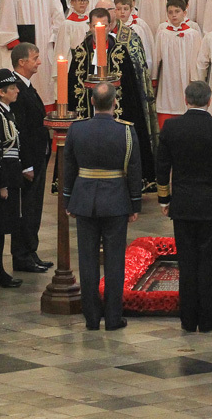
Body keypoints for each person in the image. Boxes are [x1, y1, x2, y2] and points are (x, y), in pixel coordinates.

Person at [156, 80, 212, 332]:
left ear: (185, 99)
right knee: (209, 264)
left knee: (187, 263)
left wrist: (164, 199)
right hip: (211, 205)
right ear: (209, 100)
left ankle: (187, 319)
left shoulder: (171, 127)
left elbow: (162, 167)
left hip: (182, 204)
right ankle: (206, 318)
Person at [63, 82, 143, 331]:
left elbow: (68, 168)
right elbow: (134, 169)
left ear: (93, 103)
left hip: (85, 199)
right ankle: (112, 317)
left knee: (87, 261)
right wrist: (135, 203)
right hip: (116, 200)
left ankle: (91, 318)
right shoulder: (126, 131)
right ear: (115, 103)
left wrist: (68, 199)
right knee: (115, 261)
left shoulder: (77, 129)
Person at [8, 43, 54, 275]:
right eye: (35, 58)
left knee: (34, 207)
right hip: (29, 162)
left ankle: (30, 250)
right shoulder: (16, 90)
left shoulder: (27, 87)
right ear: (22, 62)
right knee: (26, 208)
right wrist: (26, 164)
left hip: (38, 157)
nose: (38, 62)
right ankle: (22, 254)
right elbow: (21, 131)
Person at [0, 70, 24, 289]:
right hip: (4, 177)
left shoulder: (7, 112)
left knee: (7, 224)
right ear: (1, 92)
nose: (17, 91)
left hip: (12, 174)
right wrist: (2, 184)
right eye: (13, 88)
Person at [151, 0, 203, 127]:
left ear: (184, 13)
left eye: (177, 11)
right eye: (170, 12)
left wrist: (195, 81)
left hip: (185, 80)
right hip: (167, 82)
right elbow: (156, 59)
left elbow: (197, 60)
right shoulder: (162, 33)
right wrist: (154, 80)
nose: (174, 15)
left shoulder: (193, 34)